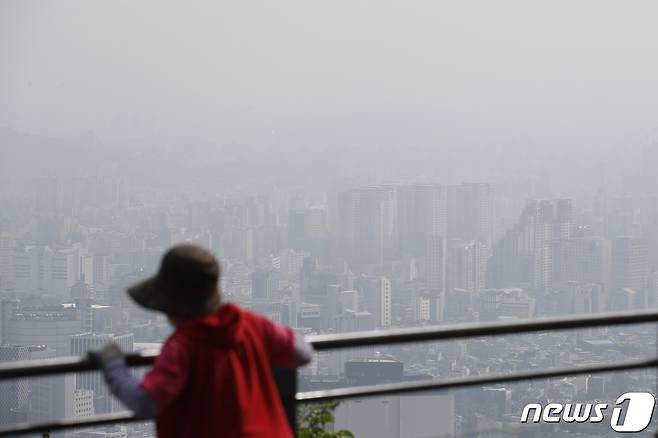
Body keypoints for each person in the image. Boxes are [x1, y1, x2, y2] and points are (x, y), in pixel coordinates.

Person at [89, 244, 313, 438]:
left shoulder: (182, 348)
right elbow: (302, 353)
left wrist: (113, 365)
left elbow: (145, 403)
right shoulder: (251, 325)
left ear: (169, 306)